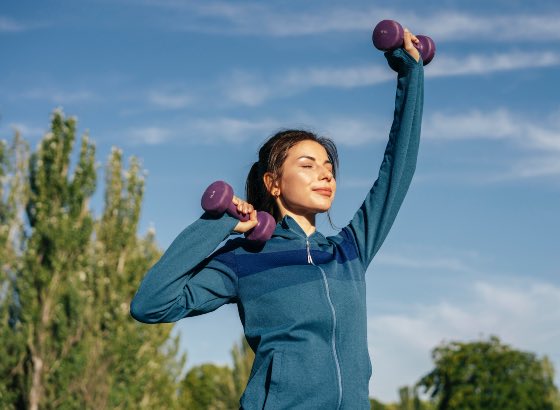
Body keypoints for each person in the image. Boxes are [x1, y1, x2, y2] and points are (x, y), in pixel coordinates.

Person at [130, 28, 424, 409]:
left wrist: (411, 75)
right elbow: (151, 304)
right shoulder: (244, 258)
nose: (325, 175)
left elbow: (397, 171)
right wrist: (216, 224)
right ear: (273, 183)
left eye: (329, 167)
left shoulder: (349, 251)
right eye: (308, 165)